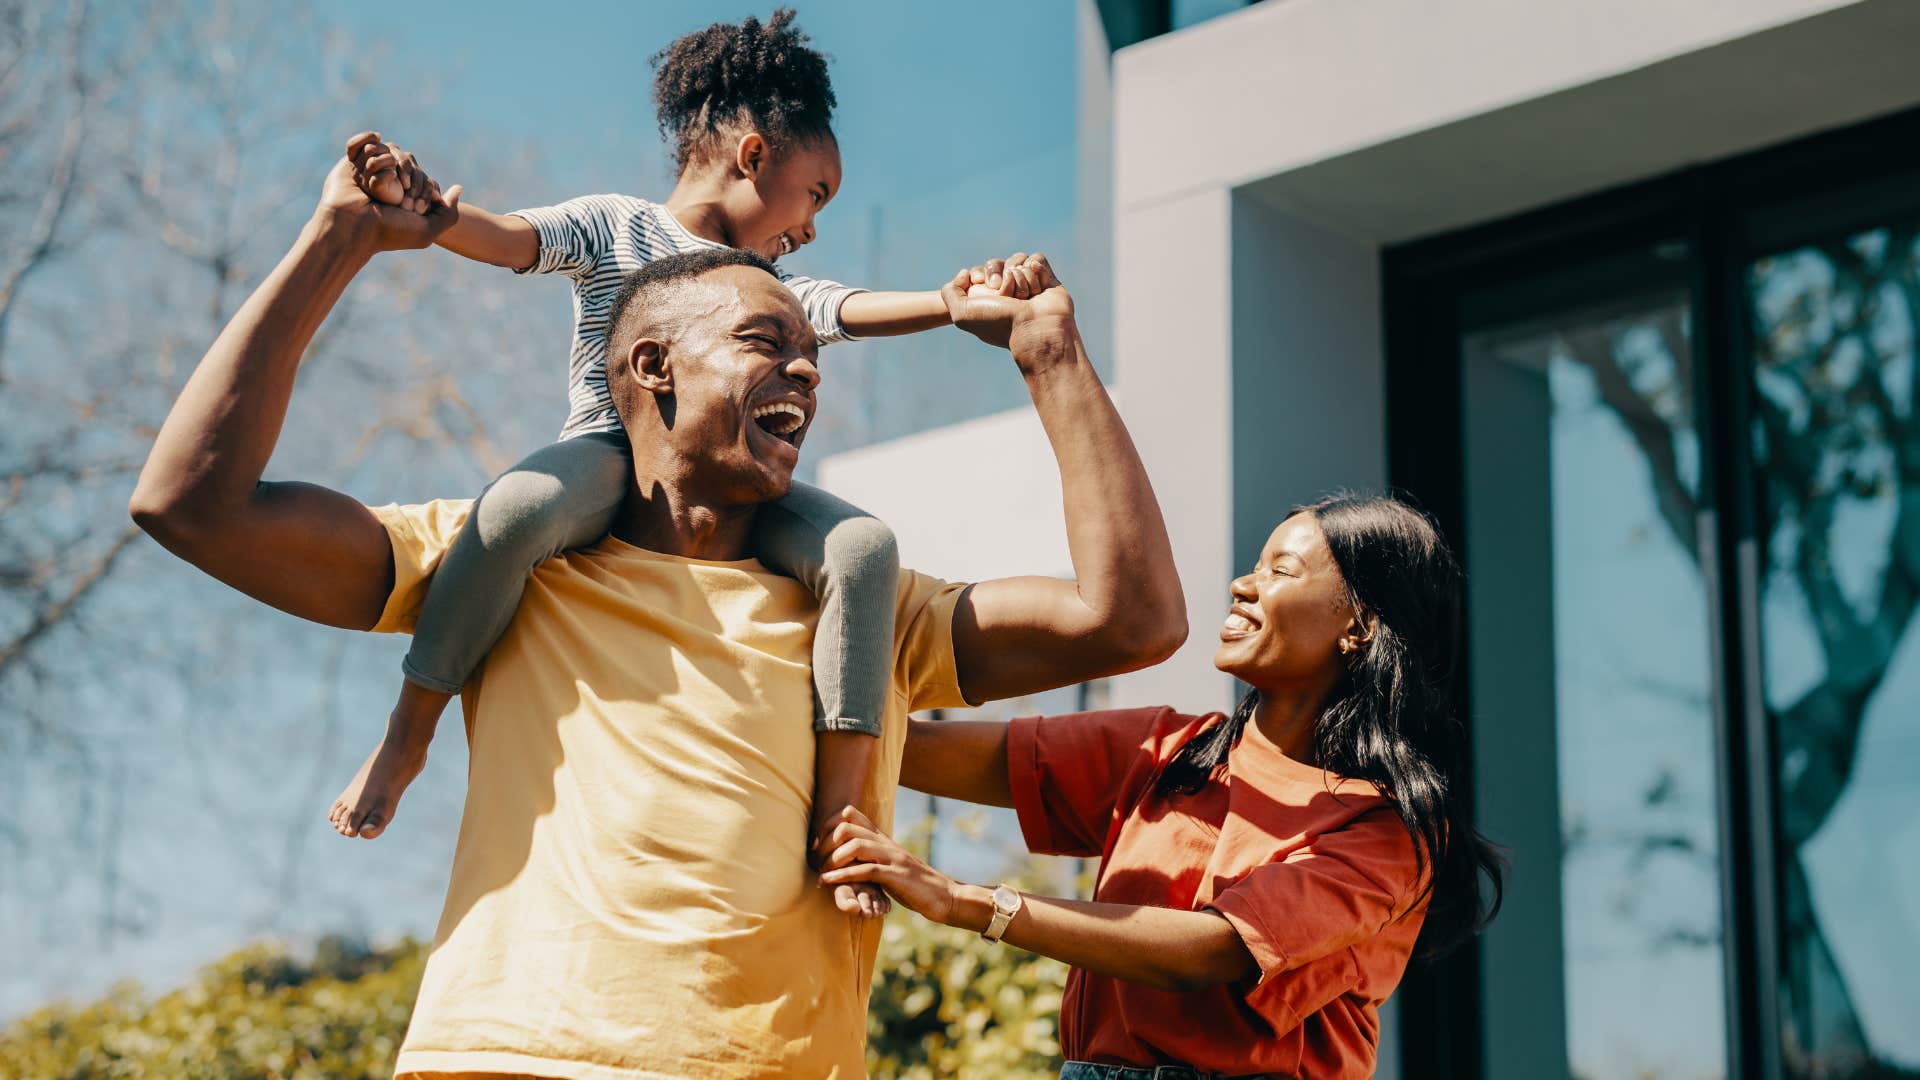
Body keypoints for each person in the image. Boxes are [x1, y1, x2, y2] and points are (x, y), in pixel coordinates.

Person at [129, 144, 1184, 1078]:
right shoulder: (503, 563)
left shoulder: (862, 609)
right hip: (515, 1058)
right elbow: (189, 508)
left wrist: (1052, 357)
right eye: (765, 343)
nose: (807, 370)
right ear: (651, 368)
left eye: (806, 348)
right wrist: (339, 240)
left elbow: (1130, 623)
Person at [328, 11, 970, 924]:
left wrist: (948, 302)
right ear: (753, 156)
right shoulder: (614, 226)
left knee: (864, 549)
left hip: (735, 486)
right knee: (511, 511)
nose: (814, 227)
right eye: (815, 193)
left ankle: (844, 813)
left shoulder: (765, 284)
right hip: (612, 461)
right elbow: (510, 238)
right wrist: (430, 213)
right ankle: (406, 735)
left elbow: (839, 306)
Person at [818, 495, 1507, 1078]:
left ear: (1359, 626)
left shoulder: (1387, 831)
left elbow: (1215, 949)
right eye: (1254, 565)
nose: (1243, 584)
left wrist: (964, 902)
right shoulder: (1172, 751)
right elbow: (908, 749)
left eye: (1280, 571)